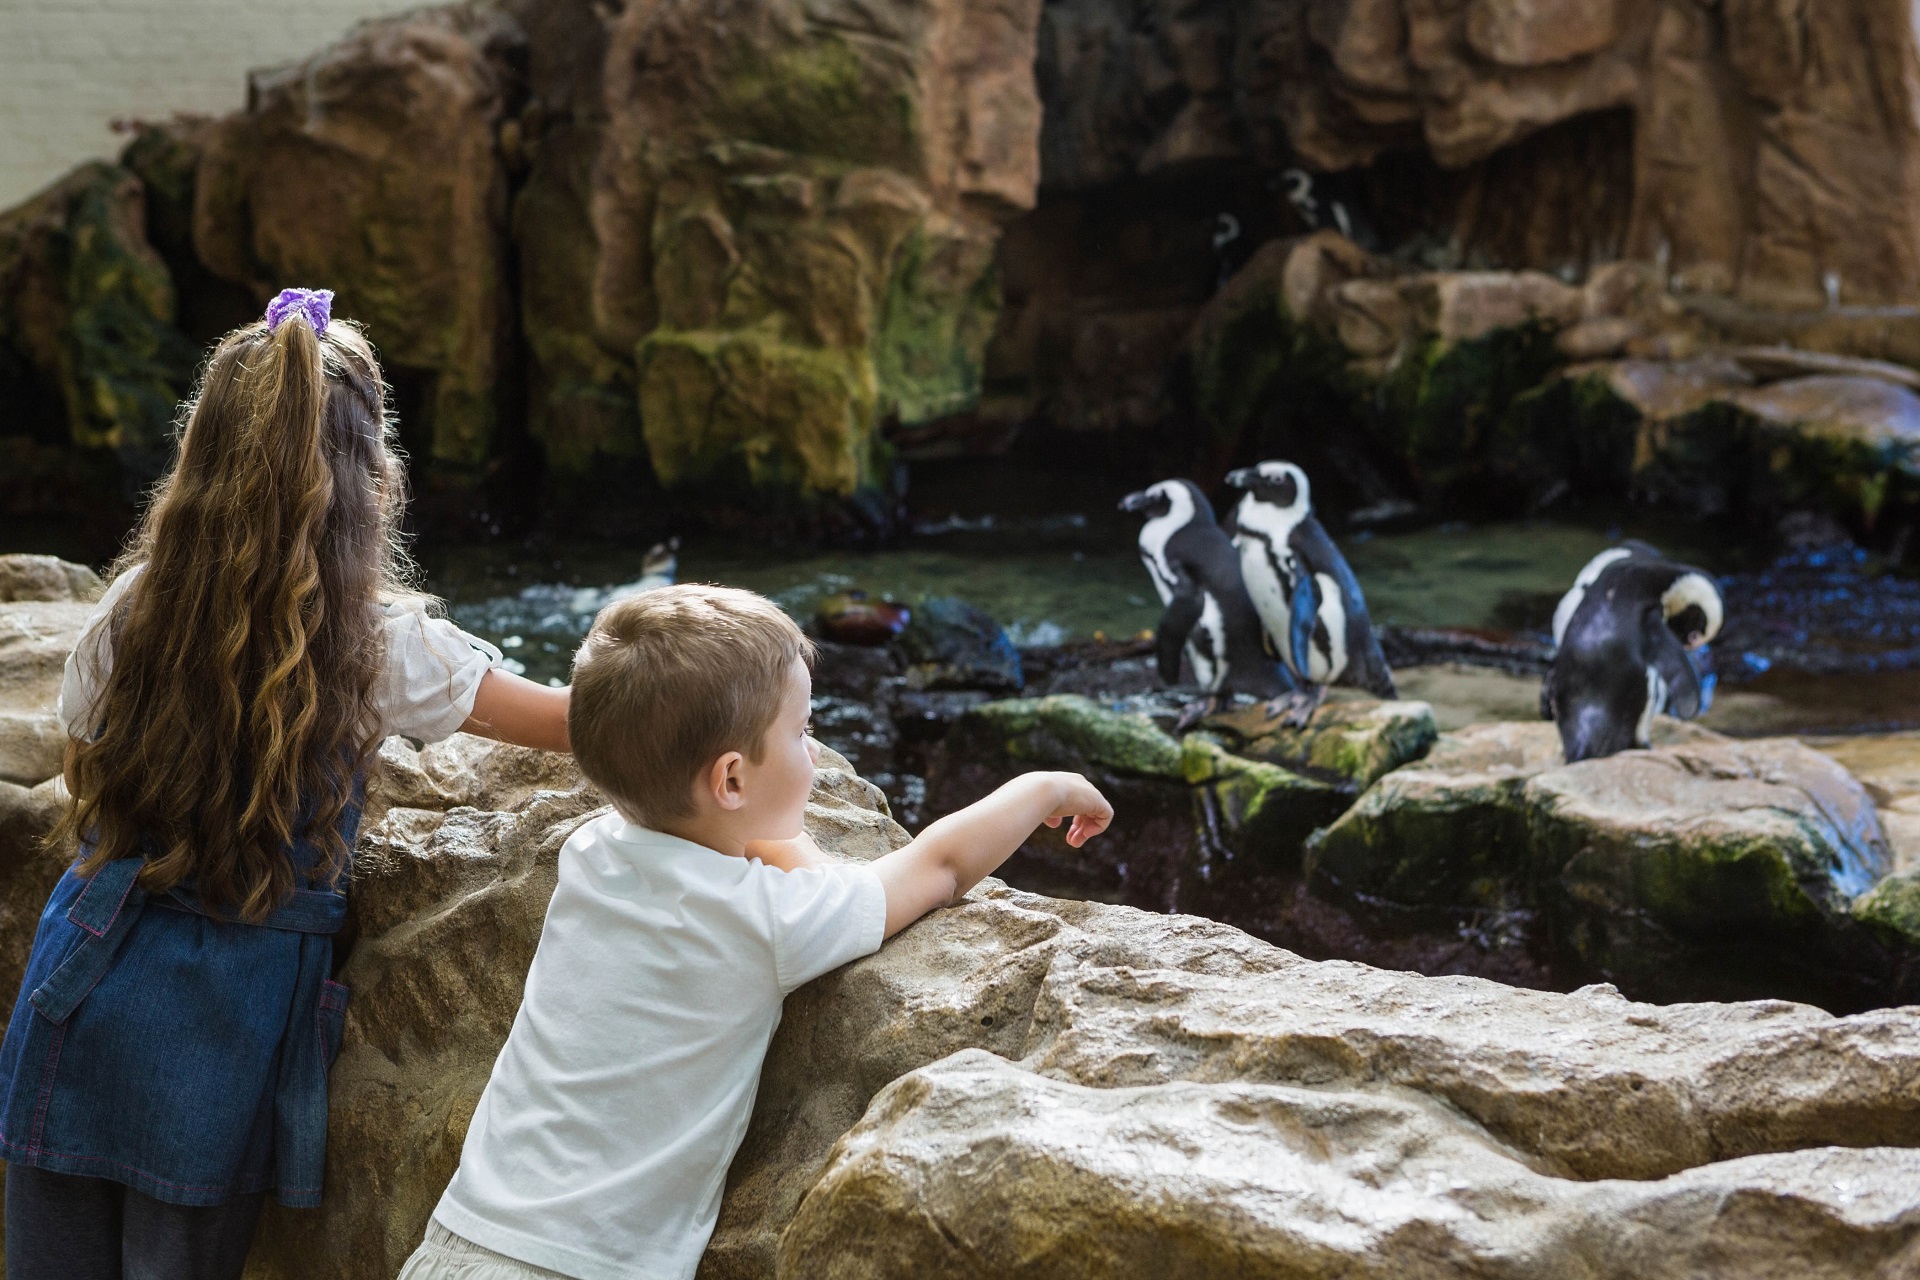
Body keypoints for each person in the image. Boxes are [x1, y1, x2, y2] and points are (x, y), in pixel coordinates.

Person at [0, 288, 572, 1280]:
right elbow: (578, 722)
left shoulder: (135, 604)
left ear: (201, 455)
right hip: (222, 1022)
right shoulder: (381, 644)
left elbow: (82, 735)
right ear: (371, 476)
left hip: (82, 977)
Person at [401, 584, 1113, 1280]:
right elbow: (942, 869)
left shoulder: (591, 853)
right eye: (802, 732)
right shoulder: (769, 919)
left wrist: (757, 811)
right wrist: (1042, 788)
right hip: (586, 1265)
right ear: (732, 781)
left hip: (460, 1236)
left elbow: (748, 840)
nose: (815, 752)